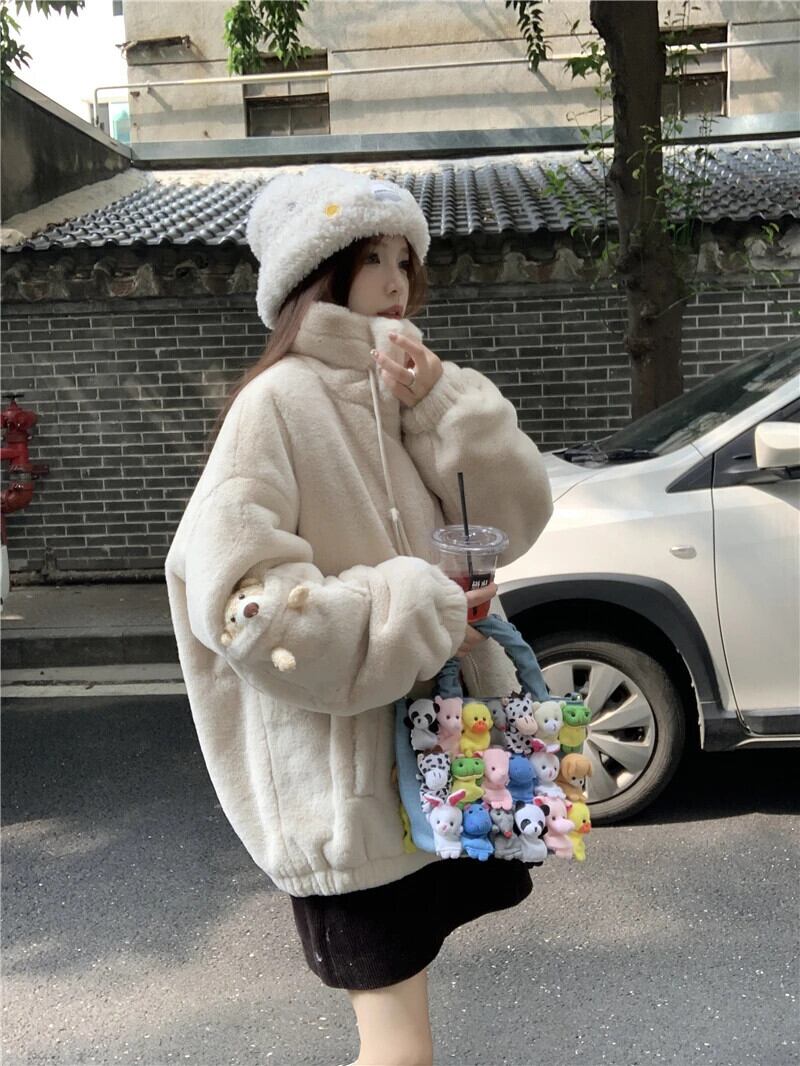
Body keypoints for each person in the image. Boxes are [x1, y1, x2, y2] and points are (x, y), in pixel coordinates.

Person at [164, 164, 553, 1066]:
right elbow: (244, 608)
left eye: (403, 259)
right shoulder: (275, 404)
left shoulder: (405, 389)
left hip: (440, 763)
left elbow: (516, 518)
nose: (394, 280)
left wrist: (441, 403)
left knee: (401, 1036)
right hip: (348, 796)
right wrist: (418, 604)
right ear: (316, 274)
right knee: (399, 1046)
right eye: (370, 258)